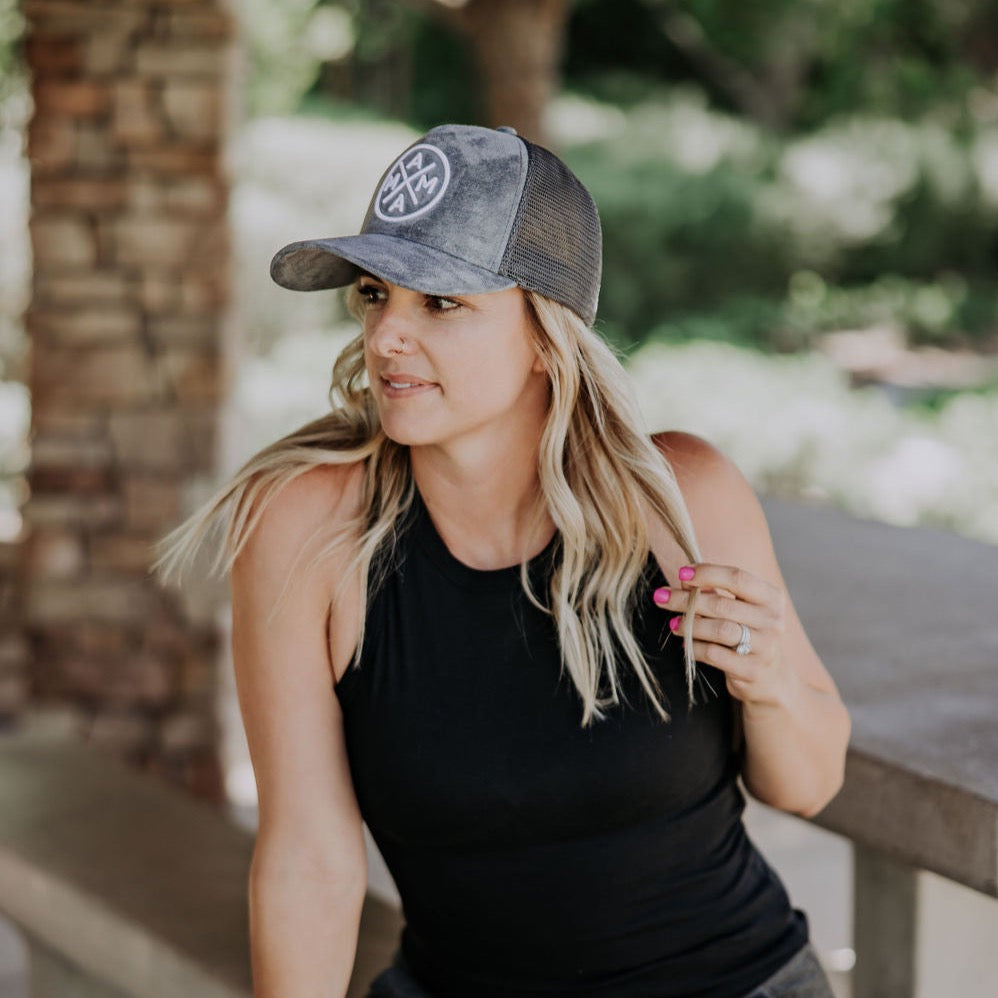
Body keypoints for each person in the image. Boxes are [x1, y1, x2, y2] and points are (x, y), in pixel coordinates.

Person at [155, 123, 850, 998]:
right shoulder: (308, 532)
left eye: (441, 303)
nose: (387, 338)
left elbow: (809, 785)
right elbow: (308, 857)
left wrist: (770, 673)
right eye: (377, 295)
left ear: (545, 333)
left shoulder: (683, 499)